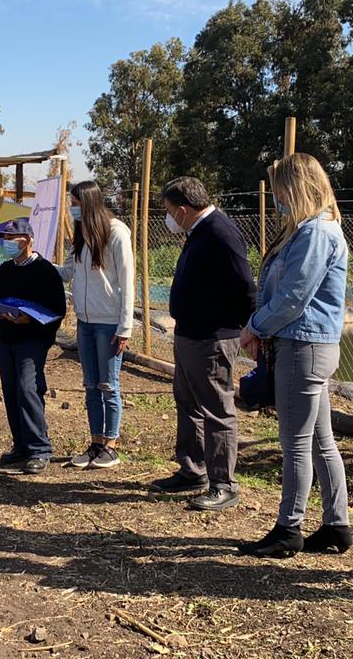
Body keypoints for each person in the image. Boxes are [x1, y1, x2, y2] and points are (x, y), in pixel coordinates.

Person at [238, 154, 351, 557]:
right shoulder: (307, 230)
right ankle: (337, 525)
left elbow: (293, 297)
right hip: (306, 345)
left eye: (281, 188)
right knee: (321, 441)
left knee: (296, 445)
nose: (279, 197)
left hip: (303, 347)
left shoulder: (316, 233)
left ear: (298, 186)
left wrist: (255, 326)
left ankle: (289, 528)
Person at [149, 176, 257, 513]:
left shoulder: (220, 232)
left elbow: (244, 285)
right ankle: (192, 469)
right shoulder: (198, 231)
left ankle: (223, 483)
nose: (167, 217)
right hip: (189, 334)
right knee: (188, 403)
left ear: (183, 209)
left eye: (168, 211)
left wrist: (249, 330)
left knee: (216, 410)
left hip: (213, 338)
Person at [56, 181, 135, 470]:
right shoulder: (80, 234)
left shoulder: (116, 233)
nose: (71, 208)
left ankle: (111, 446)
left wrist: (124, 327)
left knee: (108, 385)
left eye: (74, 203)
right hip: (85, 322)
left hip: (109, 324)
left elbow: (127, 282)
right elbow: (66, 272)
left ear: (88, 202)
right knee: (90, 386)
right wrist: (34, 261)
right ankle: (96, 442)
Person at [0, 217, 68, 475]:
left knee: (28, 389)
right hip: (6, 338)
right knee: (11, 391)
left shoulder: (45, 272)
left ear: (29, 240)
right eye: (6, 239)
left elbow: (57, 310)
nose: (8, 243)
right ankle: (20, 446)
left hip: (32, 340)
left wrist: (29, 320)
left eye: (14, 239)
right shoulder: (4, 270)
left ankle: (39, 449)